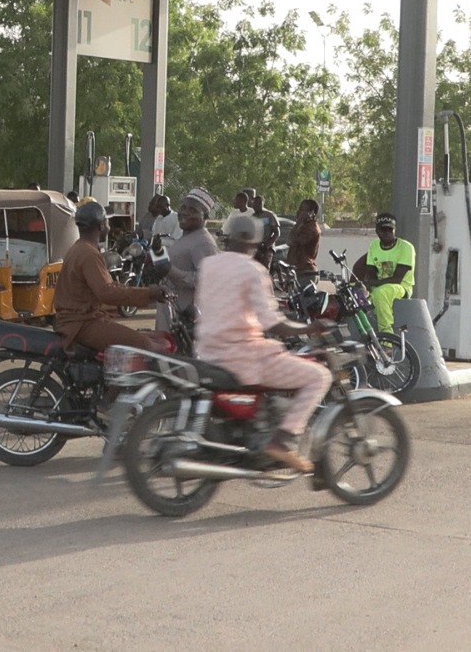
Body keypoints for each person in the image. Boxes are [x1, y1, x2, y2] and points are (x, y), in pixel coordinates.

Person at [196, 212, 333, 473]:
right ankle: (283, 440)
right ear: (252, 241)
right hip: (245, 358)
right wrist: (309, 327)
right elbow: (272, 323)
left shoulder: (208, 265)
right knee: (319, 377)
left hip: (208, 354)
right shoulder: (253, 270)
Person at [54, 201, 166, 353]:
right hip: (81, 323)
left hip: (78, 320)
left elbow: (108, 286)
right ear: (101, 226)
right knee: (145, 345)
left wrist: (144, 292)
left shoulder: (79, 248)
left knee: (144, 337)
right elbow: (107, 292)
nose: (109, 226)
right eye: (107, 222)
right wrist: (149, 293)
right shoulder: (89, 254)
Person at [155, 188, 219, 331]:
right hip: (170, 311)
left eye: (192, 210)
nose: (185, 212)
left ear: (205, 216)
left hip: (185, 318)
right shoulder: (186, 237)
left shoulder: (203, 242)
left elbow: (207, 281)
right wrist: (157, 254)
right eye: (183, 207)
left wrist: (170, 271)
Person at [353, 212, 414, 333]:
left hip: (402, 287)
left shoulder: (406, 247)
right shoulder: (374, 246)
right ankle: (364, 334)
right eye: (383, 230)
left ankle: (387, 334)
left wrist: (371, 283)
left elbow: (397, 279)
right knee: (354, 293)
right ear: (376, 231)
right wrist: (364, 286)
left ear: (395, 230)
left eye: (390, 230)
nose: (386, 233)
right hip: (379, 285)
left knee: (380, 293)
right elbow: (370, 273)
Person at [289, 198, 322, 277]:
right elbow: (289, 240)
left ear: (311, 213)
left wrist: (299, 222)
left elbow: (297, 241)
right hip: (296, 270)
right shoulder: (302, 226)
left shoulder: (311, 228)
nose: (298, 212)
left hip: (305, 271)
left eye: (302, 210)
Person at [250, 193, 281, 265]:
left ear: (262, 204)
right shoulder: (252, 217)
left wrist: (267, 245)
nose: (256, 205)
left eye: (259, 203)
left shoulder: (269, 215)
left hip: (267, 247)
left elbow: (277, 233)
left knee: (265, 268)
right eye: (255, 203)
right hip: (256, 248)